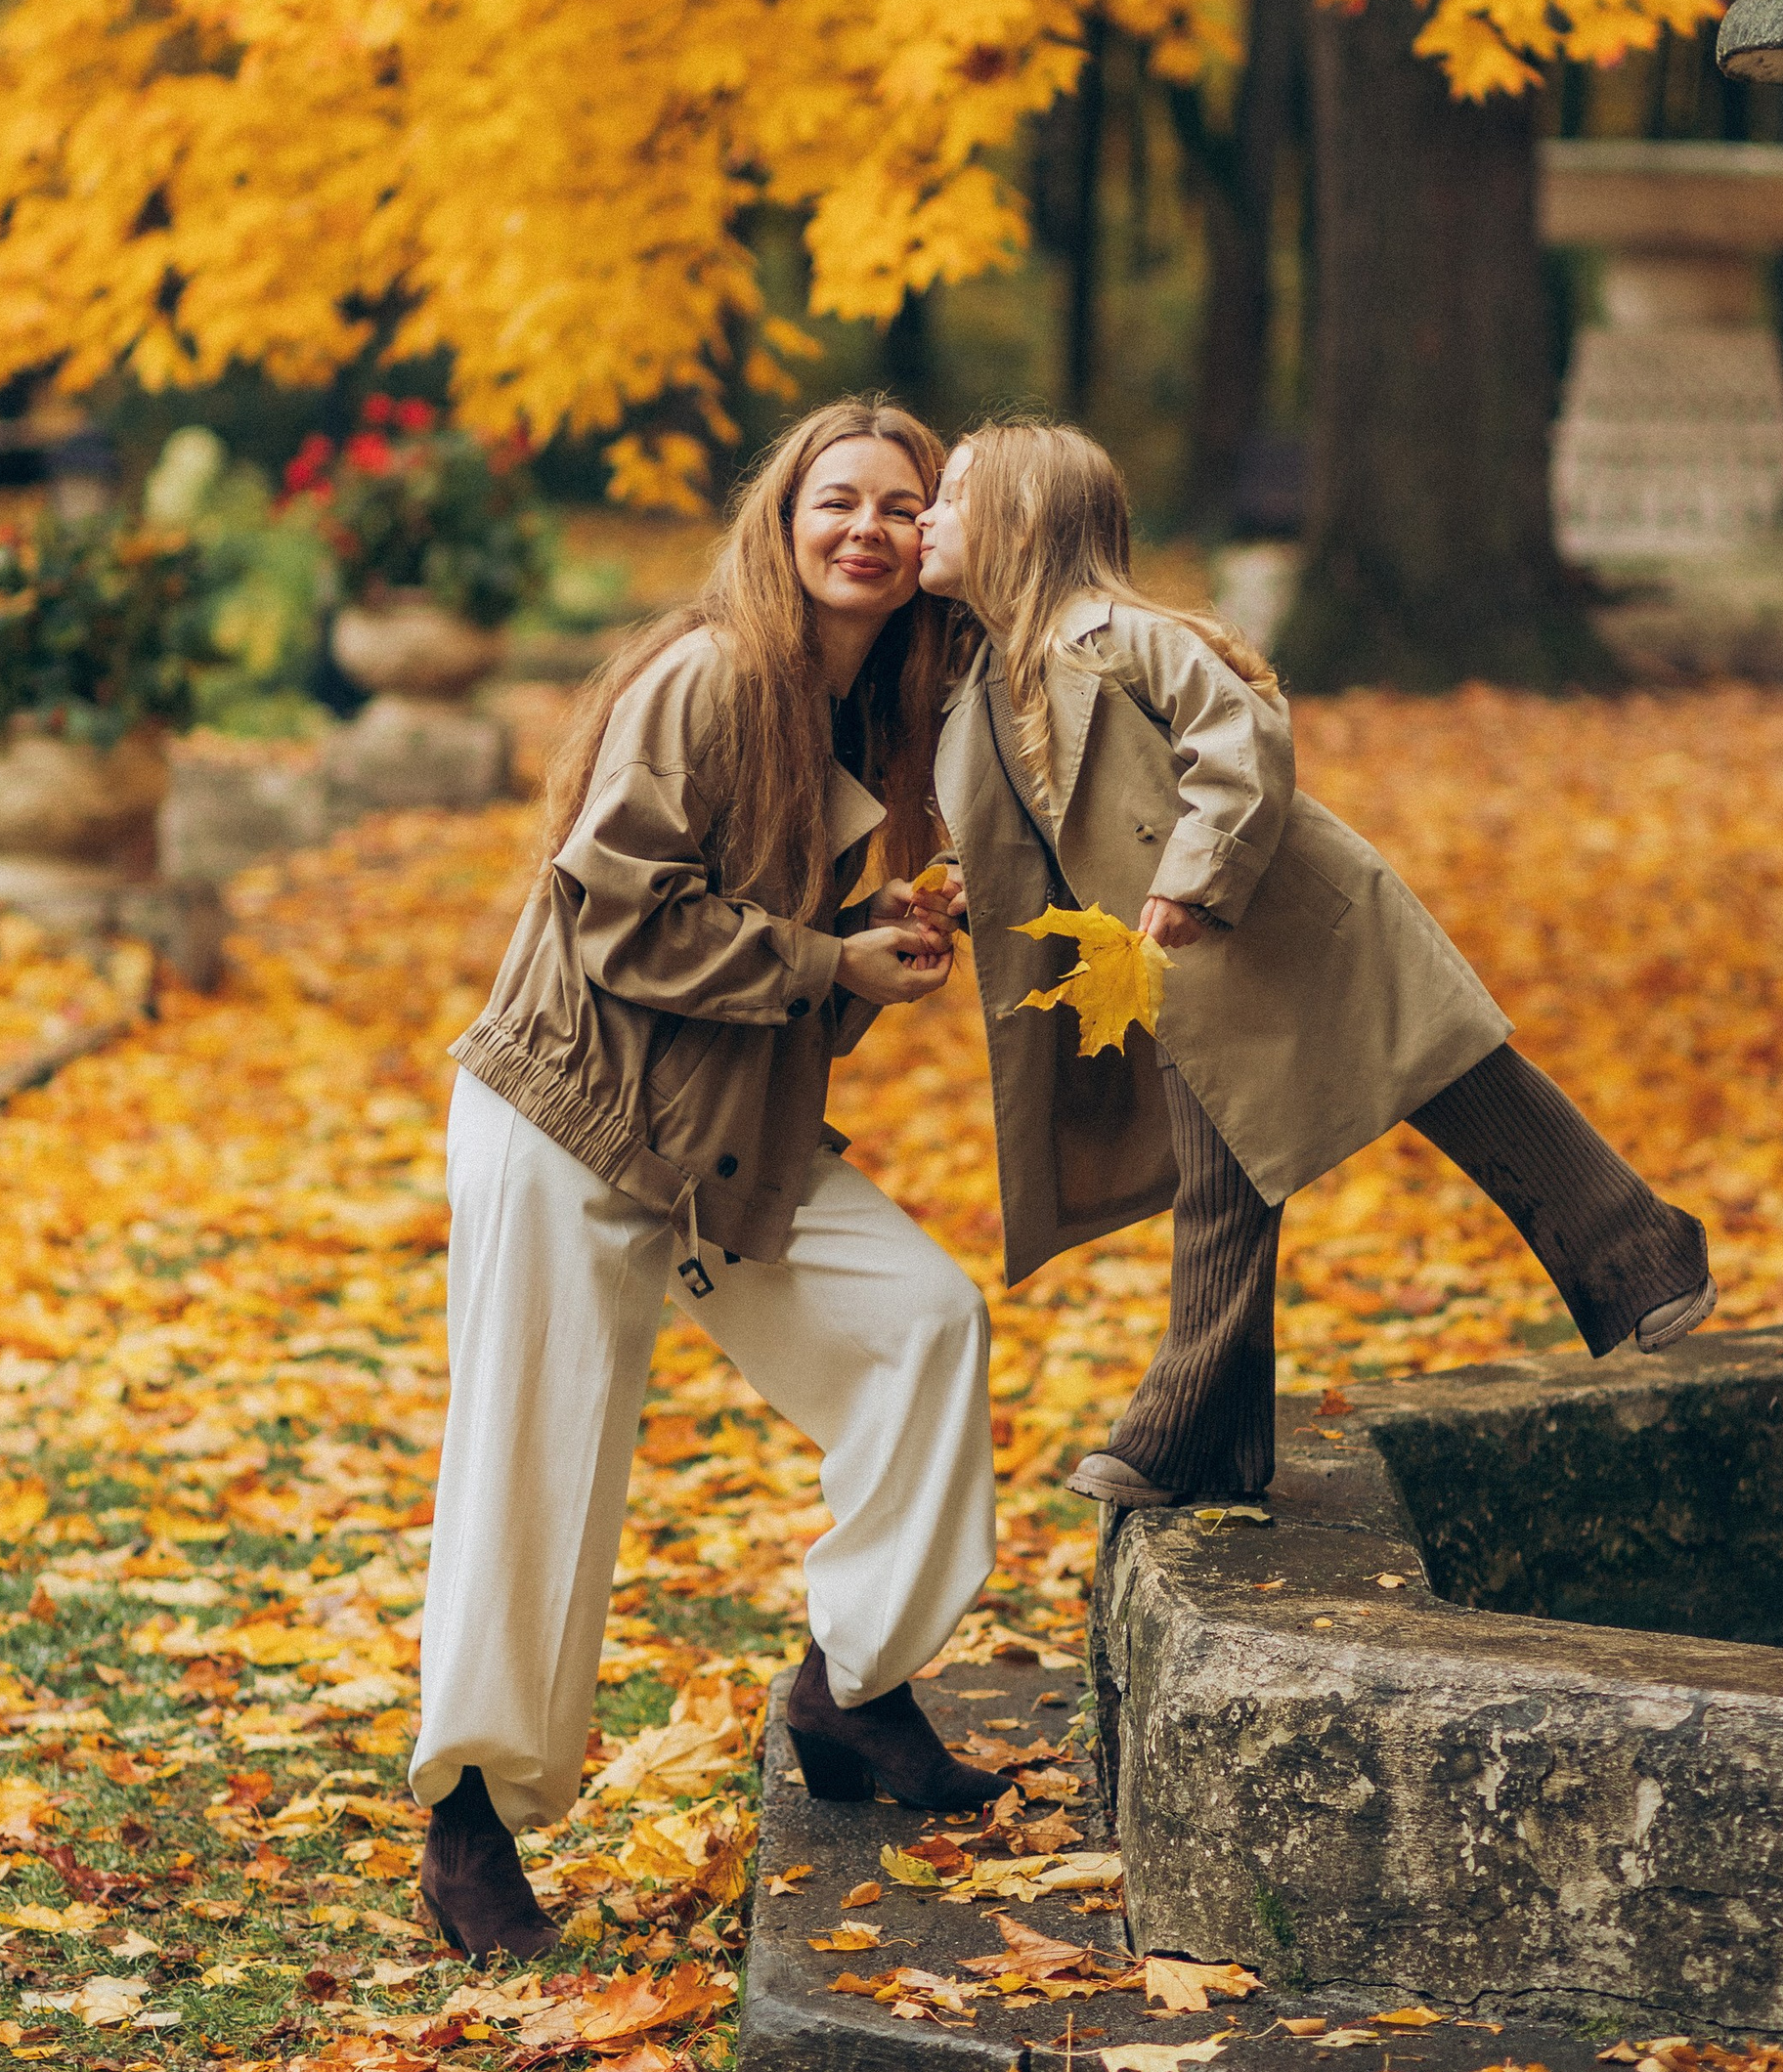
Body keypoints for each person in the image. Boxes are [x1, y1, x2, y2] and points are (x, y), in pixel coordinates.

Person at [413, 400, 1008, 1964]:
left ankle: (854, 1689)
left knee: (925, 1328)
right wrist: (825, 958)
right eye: (839, 501)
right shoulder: (713, 675)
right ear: (783, 519)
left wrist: (869, 949)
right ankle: (468, 1827)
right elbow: (620, 923)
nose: (867, 528)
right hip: (572, 1126)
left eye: (903, 506)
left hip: (729, 1147)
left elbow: (782, 945)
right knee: (537, 1470)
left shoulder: (876, 718)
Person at [913, 420, 1715, 1510]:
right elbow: (1043, 830)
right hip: (1186, 972)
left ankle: (1639, 1250)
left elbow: (1241, 735)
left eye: (949, 496)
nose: (923, 516)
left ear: (1018, 522)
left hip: (1283, 918)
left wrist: (1196, 876)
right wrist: (971, 888)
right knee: (1224, 1186)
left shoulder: (1112, 634)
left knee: (1457, 1080)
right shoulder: (991, 685)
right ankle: (1205, 1435)